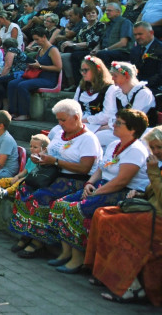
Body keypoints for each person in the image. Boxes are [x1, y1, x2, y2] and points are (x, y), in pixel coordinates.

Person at [45, 109, 151, 273]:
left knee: (75, 210)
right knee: (60, 205)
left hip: (121, 191)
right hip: (101, 185)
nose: (113, 125)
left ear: (132, 129)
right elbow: (101, 169)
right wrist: (89, 183)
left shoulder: (136, 150)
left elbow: (121, 181)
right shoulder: (114, 144)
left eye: (119, 123)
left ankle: (78, 259)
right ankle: (65, 253)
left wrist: (96, 193)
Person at [10, 99, 102, 258]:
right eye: (58, 120)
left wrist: (56, 161)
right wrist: (42, 158)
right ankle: (28, 233)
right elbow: (52, 153)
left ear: (76, 117)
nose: (60, 123)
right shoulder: (60, 134)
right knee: (24, 189)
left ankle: (39, 241)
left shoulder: (88, 139)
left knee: (41, 196)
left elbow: (84, 168)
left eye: (63, 120)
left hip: (75, 180)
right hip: (54, 174)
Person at [84, 125, 162, 305]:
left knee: (113, 223)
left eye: (159, 147)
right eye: (154, 147)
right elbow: (154, 192)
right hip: (150, 211)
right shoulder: (157, 162)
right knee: (101, 214)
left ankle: (133, 287)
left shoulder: (155, 166)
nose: (156, 151)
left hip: (157, 219)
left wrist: (153, 174)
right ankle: (102, 273)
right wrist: (141, 194)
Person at [85, 61, 157, 147]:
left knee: (99, 138)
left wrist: (110, 126)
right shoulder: (118, 92)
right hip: (123, 129)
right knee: (96, 137)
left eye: (115, 76)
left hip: (140, 132)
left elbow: (133, 120)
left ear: (126, 76)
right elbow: (113, 114)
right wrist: (110, 126)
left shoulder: (143, 93)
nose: (112, 78)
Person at [6, 26, 62, 120]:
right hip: (37, 76)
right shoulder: (40, 49)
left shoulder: (52, 49)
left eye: (37, 39)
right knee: (12, 84)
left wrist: (39, 66)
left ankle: (24, 114)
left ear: (44, 37)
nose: (36, 41)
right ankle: (13, 111)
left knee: (22, 85)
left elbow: (58, 67)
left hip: (48, 79)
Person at [0, 133, 50, 199]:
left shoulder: (44, 162)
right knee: (4, 180)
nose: (31, 149)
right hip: (23, 179)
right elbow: (24, 172)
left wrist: (22, 179)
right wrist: (17, 176)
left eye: (35, 147)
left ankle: (4, 192)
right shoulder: (30, 159)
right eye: (31, 146)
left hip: (29, 182)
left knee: (17, 184)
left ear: (44, 149)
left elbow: (37, 177)